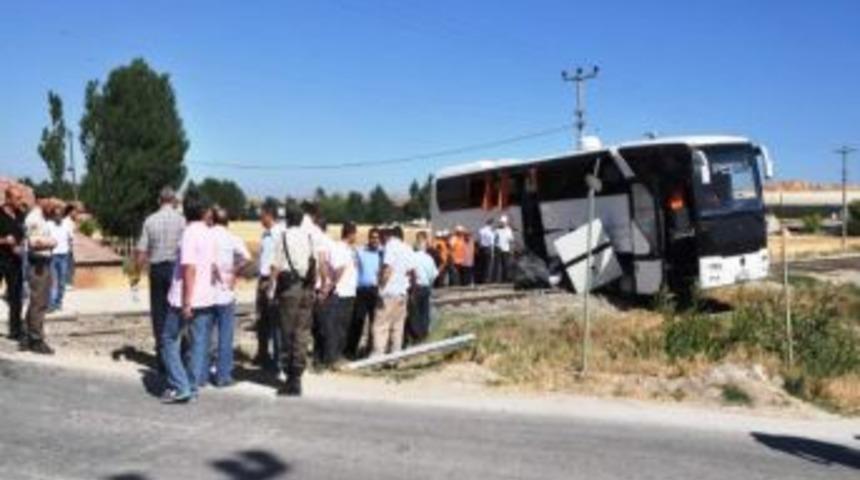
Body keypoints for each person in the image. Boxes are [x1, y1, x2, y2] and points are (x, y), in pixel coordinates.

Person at [160, 196, 217, 404]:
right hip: (206, 297)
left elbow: (189, 269)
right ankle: (192, 387)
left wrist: (186, 301)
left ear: (185, 212)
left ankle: (180, 385)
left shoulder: (189, 234)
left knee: (168, 340)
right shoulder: (209, 234)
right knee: (198, 344)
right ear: (203, 212)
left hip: (185, 298)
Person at [136, 187, 185, 372]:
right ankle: (176, 356)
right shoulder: (182, 221)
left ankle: (162, 358)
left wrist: (137, 272)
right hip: (175, 270)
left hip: (156, 270)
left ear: (159, 200)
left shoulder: (150, 220)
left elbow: (142, 250)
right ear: (173, 200)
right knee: (176, 311)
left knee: (158, 313)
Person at [271, 206, 316, 396]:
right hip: (306, 288)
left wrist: (271, 290)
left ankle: (290, 378)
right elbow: (313, 262)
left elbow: (275, 266)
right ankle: (297, 374)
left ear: (288, 219)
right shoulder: (308, 237)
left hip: (289, 289)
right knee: (302, 333)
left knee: (287, 332)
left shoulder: (283, 237)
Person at [208, 207, 251, 387]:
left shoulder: (206, 236)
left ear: (212, 220)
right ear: (228, 222)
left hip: (206, 292)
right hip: (226, 291)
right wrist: (235, 271)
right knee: (225, 334)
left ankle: (203, 371)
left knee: (206, 332)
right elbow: (247, 257)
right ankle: (223, 375)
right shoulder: (232, 238)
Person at [372, 225, 415, 356]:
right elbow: (411, 272)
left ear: (386, 235)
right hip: (402, 293)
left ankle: (378, 357)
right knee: (397, 328)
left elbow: (387, 269)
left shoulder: (390, 246)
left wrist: (380, 287)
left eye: (381, 235)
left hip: (388, 293)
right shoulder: (407, 248)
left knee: (380, 327)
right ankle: (395, 358)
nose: (379, 239)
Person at [22, 196, 57, 354]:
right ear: (42, 202)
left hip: (43, 262)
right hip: (38, 264)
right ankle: (36, 339)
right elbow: (34, 243)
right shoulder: (34, 219)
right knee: (39, 303)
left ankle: (27, 335)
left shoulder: (41, 218)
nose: (52, 209)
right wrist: (52, 242)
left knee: (37, 301)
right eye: (50, 205)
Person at [254, 201, 283, 371]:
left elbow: (278, 261)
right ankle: (263, 354)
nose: (260, 218)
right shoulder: (265, 235)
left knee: (275, 321)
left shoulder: (279, 234)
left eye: (262, 215)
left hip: (273, 281)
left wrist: (271, 283)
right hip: (262, 279)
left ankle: (277, 359)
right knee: (261, 320)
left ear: (269, 215)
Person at [347, 227, 382, 358]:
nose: (374, 240)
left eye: (377, 238)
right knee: (358, 320)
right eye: (372, 237)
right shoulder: (361, 251)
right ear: (369, 238)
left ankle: (370, 350)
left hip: (375, 290)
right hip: (362, 290)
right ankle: (351, 350)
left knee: (375, 322)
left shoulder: (382, 253)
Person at [0, 186, 26, 341]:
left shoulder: (20, 215)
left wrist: (21, 245)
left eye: (21, 197)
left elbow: (23, 235)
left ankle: (15, 331)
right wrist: (4, 240)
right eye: (17, 198)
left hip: (15, 261)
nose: (20, 201)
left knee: (16, 297)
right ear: (8, 198)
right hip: (0, 259)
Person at [406, 231, 438, 345]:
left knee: (414, 313)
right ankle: (424, 335)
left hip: (414, 287)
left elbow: (407, 273)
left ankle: (416, 337)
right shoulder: (429, 258)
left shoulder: (411, 256)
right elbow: (434, 275)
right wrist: (429, 283)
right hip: (425, 287)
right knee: (424, 312)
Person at [48, 202, 73, 311]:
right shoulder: (48, 225)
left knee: (62, 281)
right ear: (53, 215)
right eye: (56, 214)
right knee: (53, 281)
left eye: (60, 214)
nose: (58, 216)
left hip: (64, 256)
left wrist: (70, 252)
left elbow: (70, 239)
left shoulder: (67, 225)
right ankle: (52, 304)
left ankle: (59, 302)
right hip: (52, 255)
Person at [62, 203, 78, 288]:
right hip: (66, 247)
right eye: (75, 211)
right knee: (68, 265)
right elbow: (68, 235)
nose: (76, 213)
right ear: (70, 212)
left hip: (69, 247)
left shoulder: (71, 222)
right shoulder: (66, 222)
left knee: (70, 265)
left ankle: (68, 282)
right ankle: (66, 283)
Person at [495, 216, 514, 283]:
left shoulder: (508, 230)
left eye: (503, 222)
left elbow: (511, 240)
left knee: (505, 265)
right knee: (499, 265)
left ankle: (505, 278)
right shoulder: (497, 230)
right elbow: (495, 240)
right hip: (499, 249)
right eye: (501, 222)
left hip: (505, 249)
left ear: (506, 223)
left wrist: (511, 249)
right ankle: (500, 279)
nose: (502, 223)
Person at [477, 218, 495, 284]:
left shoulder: (481, 230)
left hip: (481, 249)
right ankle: (487, 280)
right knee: (488, 265)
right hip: (488, 249)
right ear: (491, 224)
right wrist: (492, 253)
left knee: (482, 265)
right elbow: (492, 243)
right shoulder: (491, 232)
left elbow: (479, 240)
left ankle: (481, 279)